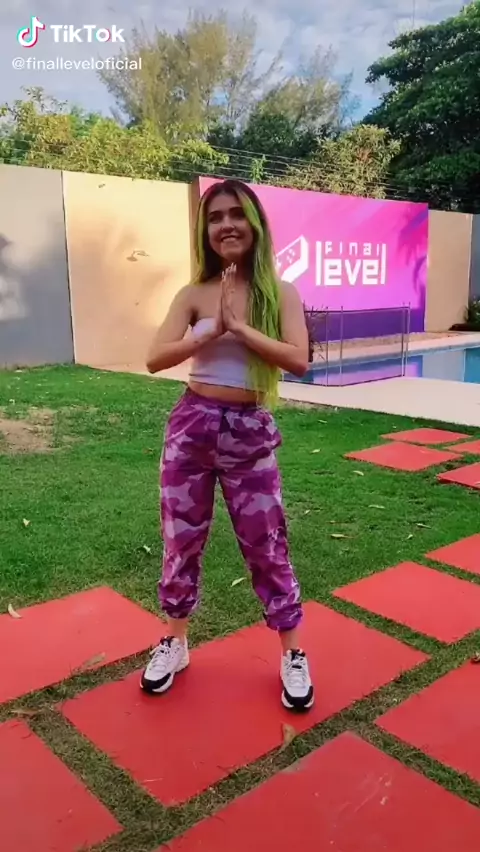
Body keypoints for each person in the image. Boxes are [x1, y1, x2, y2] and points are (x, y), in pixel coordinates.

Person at [141, 178, 314, 711]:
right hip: (191, 427)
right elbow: (155, 357)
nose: (226, 225)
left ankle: (293, 652)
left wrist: (238, 327)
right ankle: (175, 642)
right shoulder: (192, 294)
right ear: (205, 230)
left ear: (255, 223)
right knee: (181, 541)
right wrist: (209, 330)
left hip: (249, 430)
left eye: (236, 214)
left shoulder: (280, 294)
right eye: (215, 217)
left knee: (267, 545)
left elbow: (298, 359)